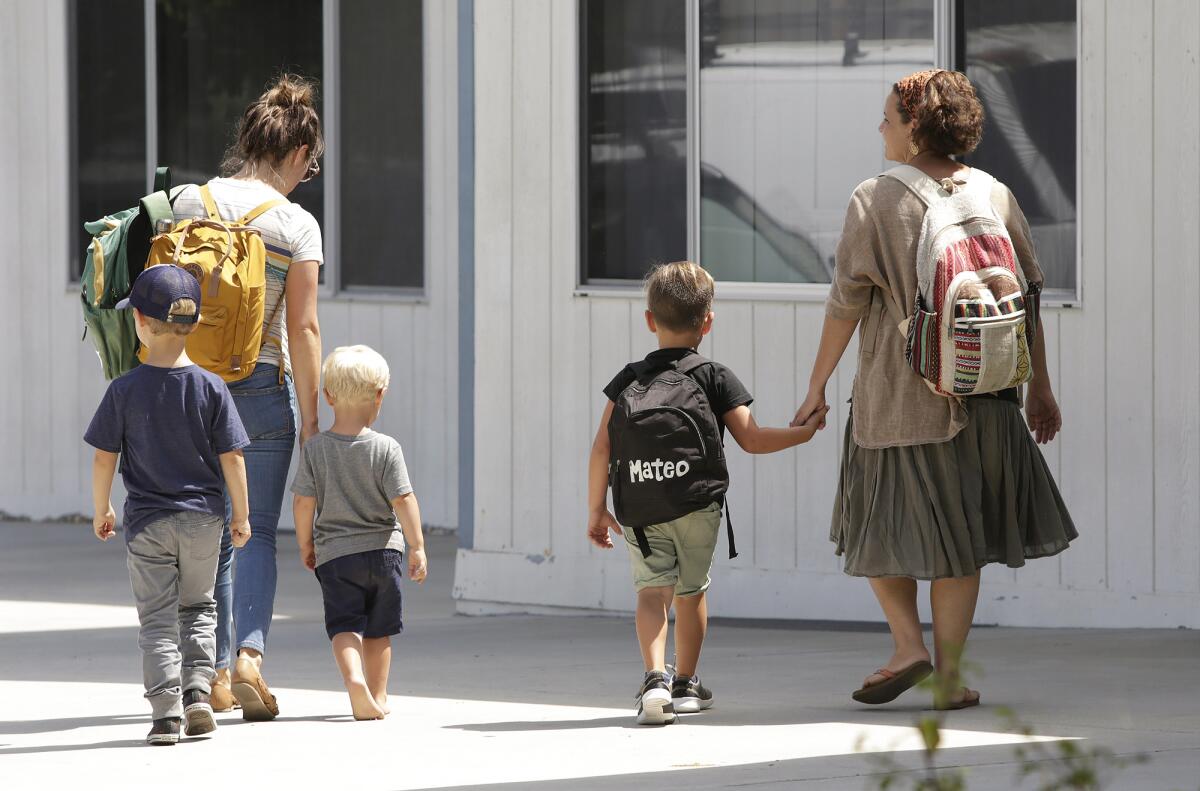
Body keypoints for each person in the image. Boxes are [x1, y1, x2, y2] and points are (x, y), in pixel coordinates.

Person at [791, 69, 1077, 709]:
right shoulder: (994, 192)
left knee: (875, 526)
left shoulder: (874, 199)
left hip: (900, 401)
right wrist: (1041, 390)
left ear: (917, 123)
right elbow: (1028, 298)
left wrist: (816, 386)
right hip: (990, 400)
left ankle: (906, 645)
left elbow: (845, 305)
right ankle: (947, 678)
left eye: (889, 117)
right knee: (961, 543)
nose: (882, 128)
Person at [587, 261, 828, 725]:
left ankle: (655, 677)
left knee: (652, 590)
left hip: (640, 504)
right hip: (698, 504)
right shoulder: (714, 376)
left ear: (650, 320)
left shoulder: (629, 379)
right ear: (708, 321)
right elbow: (753, 439)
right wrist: (804, 433)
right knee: (691, 590)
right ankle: (686, 685)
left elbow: (602, 446)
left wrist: (597, 508)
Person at [170, 74, 325, 718]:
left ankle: (203, 677)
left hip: (189, 391)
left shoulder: (187, 203)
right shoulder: (297, 225)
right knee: (255, 530)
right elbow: (304, 327)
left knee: (202, 531)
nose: (306, 174)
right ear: (295, 155)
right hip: (260, 389)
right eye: (309, 165)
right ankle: (249, 657)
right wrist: (313, 420)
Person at [85, 265, 252, 745]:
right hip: (204, 520)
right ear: (194, 324)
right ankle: (198, 693)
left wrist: (103, 509)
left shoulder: (124, 390)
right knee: (200, 607)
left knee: (157, 619)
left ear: (139, 320)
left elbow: (103, 458)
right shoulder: (211, 387)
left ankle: (165, 716)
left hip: (148, 523)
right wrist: (241, 515)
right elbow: (233, 457)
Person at [291, 345, 429, 720]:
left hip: (335, 557)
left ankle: (354, 681)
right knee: (379, 630)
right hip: (384, 553)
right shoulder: (386, 448)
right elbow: (403, 499)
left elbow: (303, 502)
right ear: (380, 395)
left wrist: (306, 542)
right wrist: (417, 546)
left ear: (328, 396)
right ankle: (379, 694)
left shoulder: (315, 450)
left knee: (344, 626)